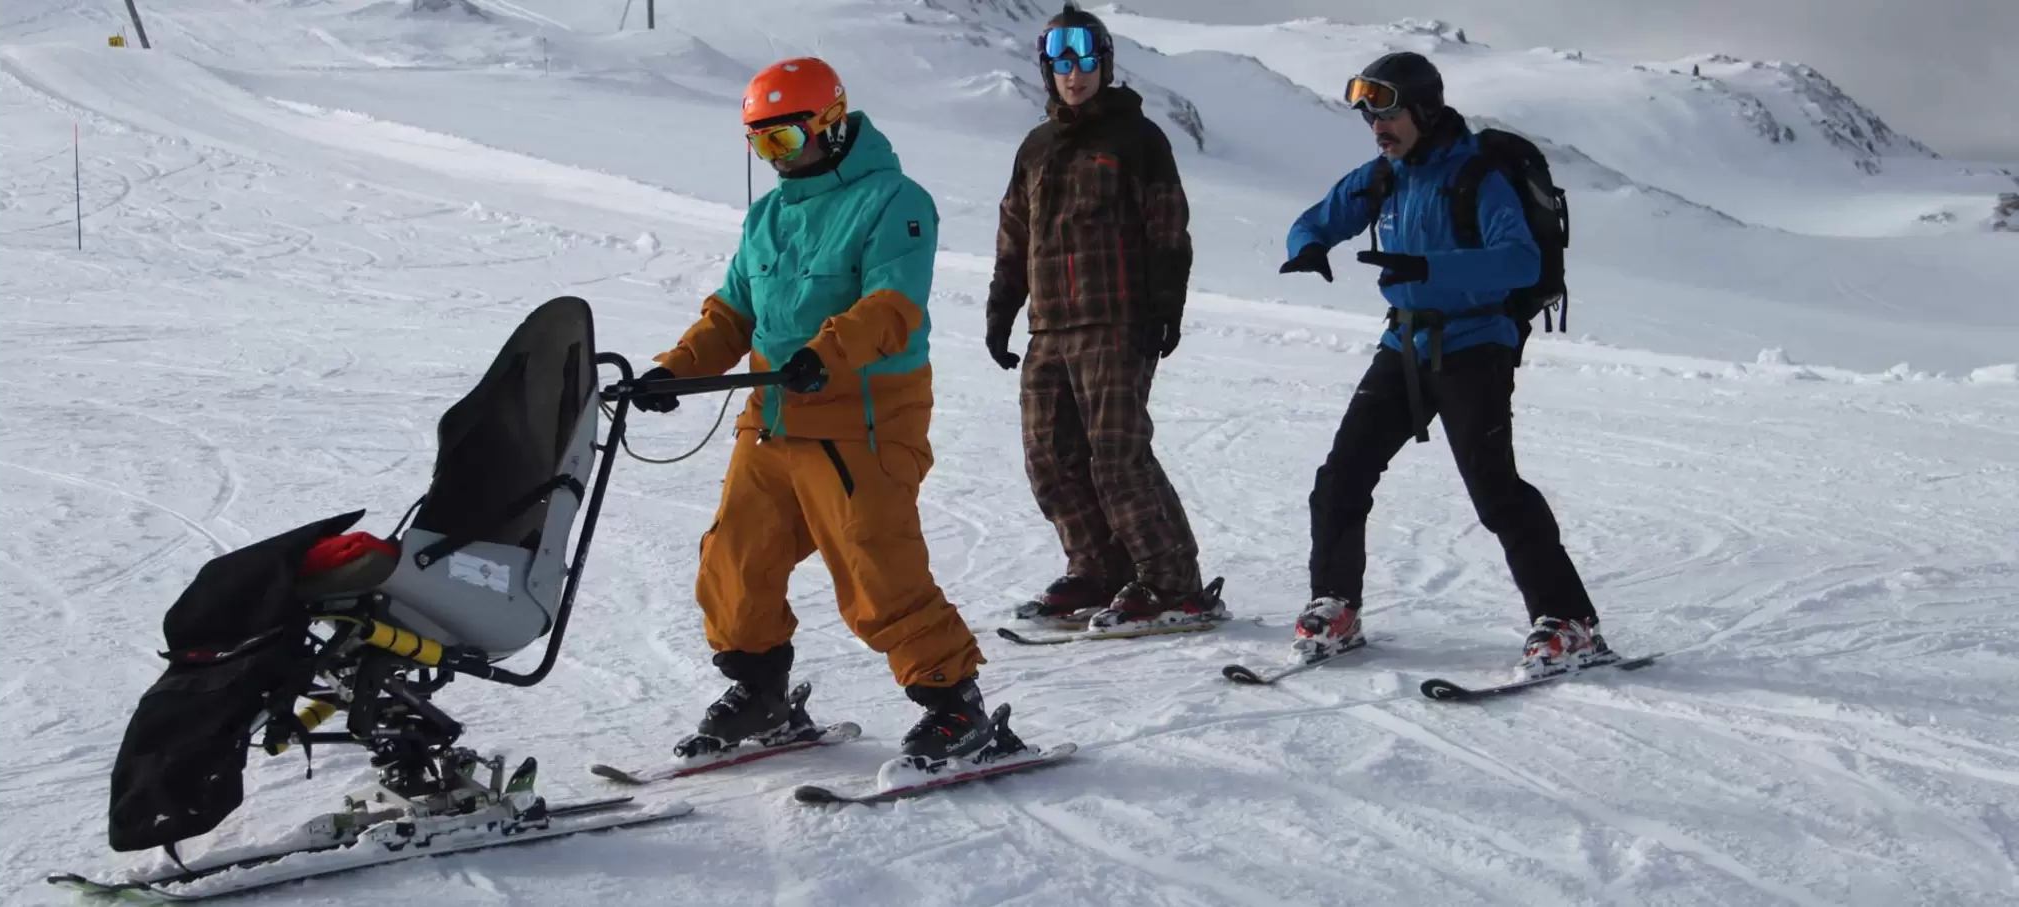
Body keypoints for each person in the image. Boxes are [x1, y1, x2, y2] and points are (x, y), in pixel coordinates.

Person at [637, 57, 992, 765]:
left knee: (874, 563)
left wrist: (825, 355)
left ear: (830, 124)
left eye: (786, 141)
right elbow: (733, 311)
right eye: (761, 145)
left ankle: (956, 703)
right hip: (772, 416)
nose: (775, 159)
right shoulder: (766, 215)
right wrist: (675, 369)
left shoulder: (896, 200)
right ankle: (762, 692)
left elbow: (891, 306)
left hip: (860, 416)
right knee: (735, 560)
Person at [1276, 51, 1615, 678]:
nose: (1378, 126)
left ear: (1424, 110)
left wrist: (1431, 268)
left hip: (1474, 346)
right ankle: (1337, 606)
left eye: (1389, 111)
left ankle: (1570, 622)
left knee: (1496, 492)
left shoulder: (1478, 175)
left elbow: (1521, 263)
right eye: (1368, 114)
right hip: (1402, 345)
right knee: (1342, 476)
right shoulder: (1384, 174)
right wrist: (1310, 245)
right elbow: (1321, 215)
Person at [985, 3, 1222, 632]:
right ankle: (1098, 569)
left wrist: (1164, 309)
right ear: (1047, 70)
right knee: (1050, 458)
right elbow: (1015, 235)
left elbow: (1168, 227)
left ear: (1105, 64)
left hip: (1117, 323)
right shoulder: (1035, 148)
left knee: (1116, 456)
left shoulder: (1137, 139)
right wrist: (1000, 310)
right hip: (1049, 328)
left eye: (1086, 59)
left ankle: (1173, 583)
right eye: (1061, 61)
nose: (1075, 73)